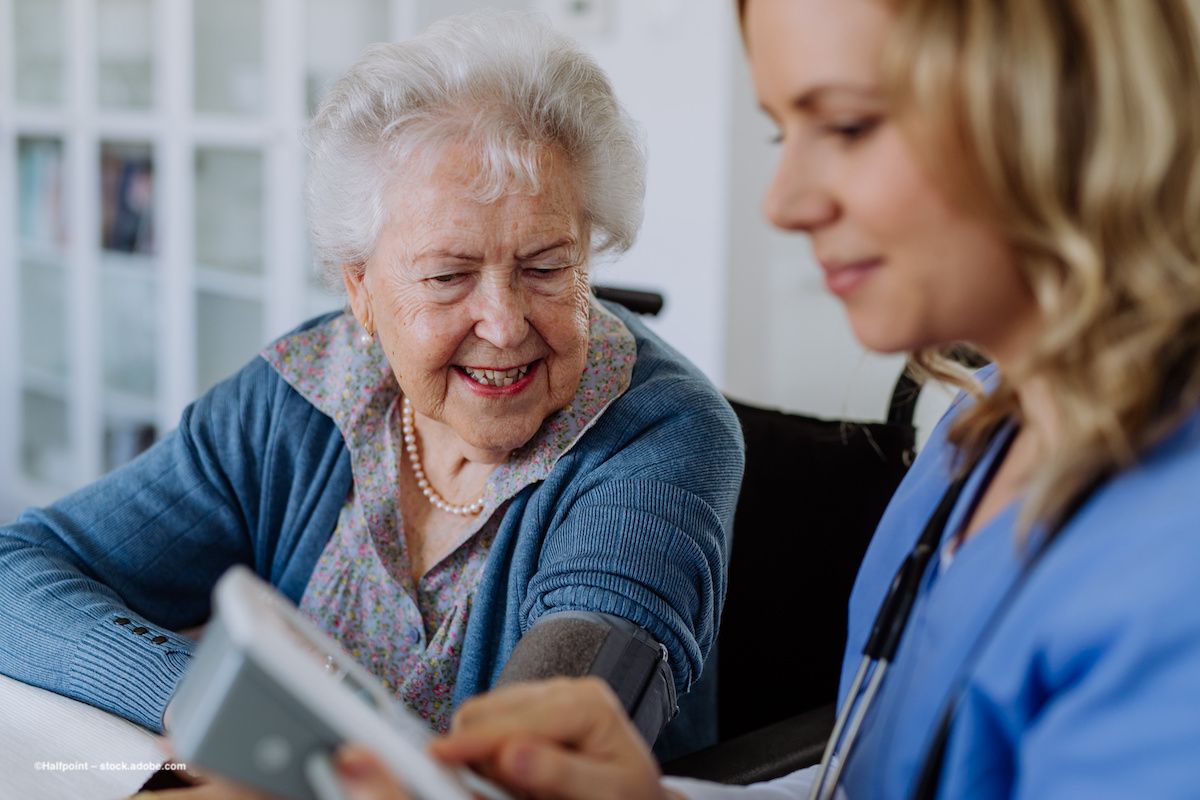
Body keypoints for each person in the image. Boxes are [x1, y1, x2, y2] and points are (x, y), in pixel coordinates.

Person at [304, 0, 1200, 798]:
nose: (783, 201)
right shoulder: (980, 429)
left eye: (847, 126)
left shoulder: (1169, 571)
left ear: (1063, 115)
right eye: (782, 133)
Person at [0, 10, 743, 764]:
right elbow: (12, 574)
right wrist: (211, 699)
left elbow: (549, 752)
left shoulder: (663, 438)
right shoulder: (297, 397)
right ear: (360, 287)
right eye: (449, 275)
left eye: (547, 266)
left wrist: (280, 735)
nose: (505, 322)